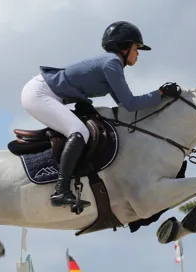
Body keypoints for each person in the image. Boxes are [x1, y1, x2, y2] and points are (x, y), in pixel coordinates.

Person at [21, 21, 182, 208]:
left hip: (44, 92)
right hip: (39, 93)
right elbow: (130, 104)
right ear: (124, 48)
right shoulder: (112, 63)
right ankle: (61, 190)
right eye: (136, 48)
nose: (138, 54)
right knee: (80, 131)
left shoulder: (112, 65)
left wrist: (159, 96)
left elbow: (125, 105)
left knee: (80, 129)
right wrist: (160, 93)